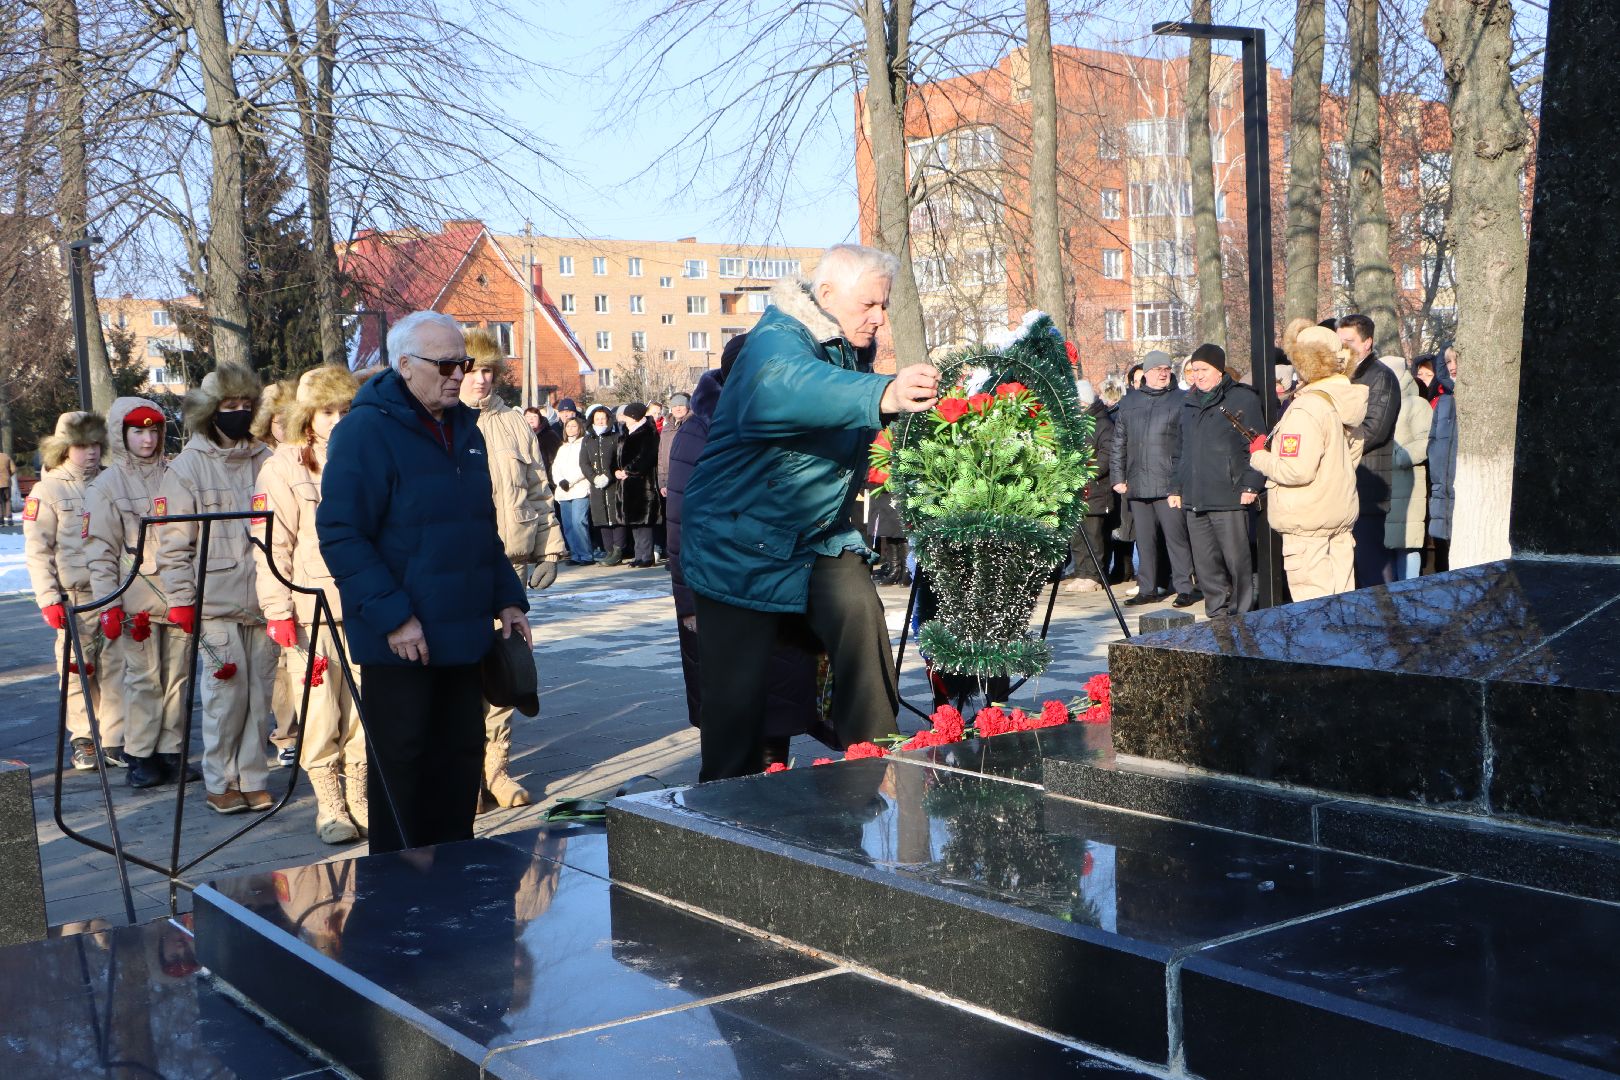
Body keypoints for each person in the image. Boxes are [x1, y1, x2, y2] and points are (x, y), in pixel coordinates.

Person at [681, 244, 938, 781]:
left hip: (814, 537)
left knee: (861, 621)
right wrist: (885, 392)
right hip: (739, 542)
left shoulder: (845, 347)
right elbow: (783, 390)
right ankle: (718, 821)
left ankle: (879, 767)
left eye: (884, 305)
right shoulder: (778, 337)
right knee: (736, 711)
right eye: (870, 304)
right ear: (826, 296)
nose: (879, 317)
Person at [317, 311, 530, 855]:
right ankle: (399, 900)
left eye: (465, 362)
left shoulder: (464, 428)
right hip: (402, 643)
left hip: (463, 636)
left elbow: (479, 529)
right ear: (405, 365)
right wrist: (394, 615)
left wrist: (507, 596)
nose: (460, 374)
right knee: (405, 776)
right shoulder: (365, 431)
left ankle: (456, 881)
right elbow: (342, 533)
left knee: (460, 764)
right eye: (448, 364)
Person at [254, 366, 368, 844]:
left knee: (365, 707)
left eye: (345, 409)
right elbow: (270, 543)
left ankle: (361, 792)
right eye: (327, 411)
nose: (338, 420)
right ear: (308, 416)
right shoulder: (283, 466)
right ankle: (330, 803)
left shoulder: (363, 455)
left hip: (365, 601)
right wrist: (277, 608)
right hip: (311, 605)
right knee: (320, 707)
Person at [157, 365, 277, 813]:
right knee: (226, 697)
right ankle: (220, 779)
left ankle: (253, 776)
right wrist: (182, 601)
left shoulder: (267, 458)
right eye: (230, 407)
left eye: (246, 406)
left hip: (265, 599)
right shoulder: (187, 467)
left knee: (259, 695)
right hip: (215, 602)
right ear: (211, 412)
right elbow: (172, 543)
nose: (239, 414)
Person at [461, 328, 563, 810]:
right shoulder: (444, 421)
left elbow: (539, 488)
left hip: (510, 563)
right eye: (471, 369)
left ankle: (497, 771)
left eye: (487, 371)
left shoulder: (513, 423)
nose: (480, 380)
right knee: (464, 675)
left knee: (504, 671)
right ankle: (465, 774)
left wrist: (550, 549)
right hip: (459, 571)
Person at [86, 398, 195, 788]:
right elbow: (100, 552)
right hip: (137, 599)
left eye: (154, 431)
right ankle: (141, 754)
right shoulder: (107, 485)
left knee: (178, 677)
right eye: (138, 431)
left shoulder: (177, 474)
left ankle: (172, 750)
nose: (147, 440)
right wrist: (108, 606)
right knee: (144, 678)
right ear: (122, 434)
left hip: (180, 593)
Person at [26, 411, 122, 771]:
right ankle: (83, 737)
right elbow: (38, 549)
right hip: (74, 596)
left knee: (115, 667)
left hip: (110, 590)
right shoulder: (48, 490)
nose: (91, 452)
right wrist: (48, 598)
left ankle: (114, 737)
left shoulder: (110, 481)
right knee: (77, 668)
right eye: (82, 445)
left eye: (96, 444)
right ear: (64, 448)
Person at [1250, 321, 1368, 601]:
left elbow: (1296, 470)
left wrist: (1260, 456)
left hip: (1307, 523)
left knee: (1314, 610)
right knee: (1342, 605)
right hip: (1338, 516)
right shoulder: (1342, 401)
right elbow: (1352, 455)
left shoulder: (1307, 408)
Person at [1172, 344, 1264, 618]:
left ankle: (1242, 612)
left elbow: (1257, 443)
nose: (1197, 376)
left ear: (1218, 370)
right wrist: (1176, 486)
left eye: (1203, 370)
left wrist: (1251, 483)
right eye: (1194, 370)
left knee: (1236, 560)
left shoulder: (1240, 399)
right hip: (1195, 495)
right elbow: (1180, 450)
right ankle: (1217, 613)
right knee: (1205, 562)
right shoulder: (1188, 402)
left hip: (1229, 493)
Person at [1110, 350, 1197, 607]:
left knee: (1176, 538)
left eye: (1166, 368)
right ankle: (1146, 588)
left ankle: (1183, 587)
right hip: (1137, 482)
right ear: (1145, 373)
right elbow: (1119, 443)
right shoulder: (1129, 402)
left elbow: (1186, 443)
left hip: (1168, 483)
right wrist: (1118, 476)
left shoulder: (1181, 400)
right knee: (1144, 541)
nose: (1163, 372)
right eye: (1157, 368)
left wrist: (1179, 484)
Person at [1337, 314, 1401, 588]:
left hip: (1369, 485)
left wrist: (1332, 443)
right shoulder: (1341, 377)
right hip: (1343, 486)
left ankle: (1387, 623)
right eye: (1339, 342)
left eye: (1349, 342)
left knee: (1372, 566)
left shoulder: (1381, 377)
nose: (1343, 348)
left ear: (1367, 343)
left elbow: (1375, 429)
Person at [1382, 356, 1432, 581]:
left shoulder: (1416, 404)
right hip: (1383, 486)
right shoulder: (1380, 400)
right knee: (1384, 549)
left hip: (1406, 487)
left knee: (1407, 549)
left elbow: (1427, 441)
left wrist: (1395, 457)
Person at [1064, 379, 1113, 593]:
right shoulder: (1073, 423)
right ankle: (1081, 572)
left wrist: (1089, 472)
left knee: (1093, 535)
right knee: (1077, 536)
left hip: (1096, 489)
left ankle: (1094, 575)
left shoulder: (1102, 423)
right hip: (1075, 489)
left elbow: (1107, 453)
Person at [614, 402, 662, 567]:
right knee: (634, 523)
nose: (624, 418)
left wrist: (629, 470)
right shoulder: (625, 433)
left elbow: (647, 457)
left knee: (644, 523)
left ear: (634, 416)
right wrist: (616, 470)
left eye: (626, 415)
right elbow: (617, 456)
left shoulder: (648, 432)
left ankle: (646, 557)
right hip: (626, 485)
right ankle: (639, 555)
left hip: (642, 485)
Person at [1426, 343, 1458, 573]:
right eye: (1448, 362)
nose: (1453, 367)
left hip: (1461, 484)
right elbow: (1433, 439)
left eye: (1457, 360)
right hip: (1442, 485)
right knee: (1442, 553)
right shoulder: (1444, 400)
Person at [580, 404, 624, 565]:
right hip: (597, 486)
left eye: (602, 418)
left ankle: (618, 550)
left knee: (615, 516)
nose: (599, 421)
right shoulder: (588, 439)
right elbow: (584, 462)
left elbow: (619, 459)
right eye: (597, 419)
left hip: (613, 484)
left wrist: (609, 475)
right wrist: (594, 478)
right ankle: (609, 551)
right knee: (601, 518)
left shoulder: (615, 437)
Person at [551, 416, 595, 564]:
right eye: (568, 426)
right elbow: (555, 467)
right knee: (568, 525)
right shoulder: (562, 447)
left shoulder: (585, 443)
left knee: (579, 522)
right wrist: (560, 481)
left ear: (580, 428)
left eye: (573, 426)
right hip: (563, 491)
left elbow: (585, 466)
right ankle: (576, 555)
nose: (570, 429)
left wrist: (570, 481)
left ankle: (586, 555)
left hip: (580, 488)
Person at [657, 392, 689, 500]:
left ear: (687, 406)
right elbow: (661, 457)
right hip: (669, 482)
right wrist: (662, 482)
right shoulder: (666, 429)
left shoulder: (693, 426)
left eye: (681, 405)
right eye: (674, 406)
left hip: (688, 481)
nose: (678, 408)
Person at [0, 446, 15, 525]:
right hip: (6, 482)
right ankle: (9, 519)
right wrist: (8, 476)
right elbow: (13, 469)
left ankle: (0, 519)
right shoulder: (6, 457)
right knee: (7, 500)